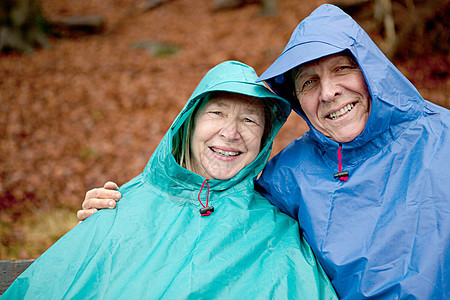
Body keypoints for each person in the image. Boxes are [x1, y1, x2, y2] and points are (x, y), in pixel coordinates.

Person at [76, 4, 450, 299]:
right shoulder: (289, 174)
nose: (329, 92)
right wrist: (128, 212)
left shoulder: (442, 137)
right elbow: (221, 213)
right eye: (309, 82)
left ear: (372, 71)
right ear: (298, 100)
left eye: (343, 69)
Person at [3, 61, 337, 299]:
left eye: (249, 120)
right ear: (189, 124)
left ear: (264, 139)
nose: (231, 132)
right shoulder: (120, 206)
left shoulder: (276, 231)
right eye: (217, 112)